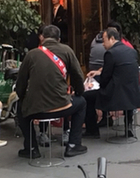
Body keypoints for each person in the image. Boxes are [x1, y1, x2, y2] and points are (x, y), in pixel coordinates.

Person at [15, 24, 87, 159]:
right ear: (58, 39)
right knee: (81, 103)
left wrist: (24, 98)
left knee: (20, 107)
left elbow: (20, 84)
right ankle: (73, 145)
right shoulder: (67, 51)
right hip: (62, 106)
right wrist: (78, 92)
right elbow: (78, 77)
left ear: (42, 38)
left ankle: (31, 148)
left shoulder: (31, 54)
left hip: (36, 109)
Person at [84, 27, 140, 138]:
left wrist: (97, 84)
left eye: (104, 40)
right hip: (133, 92)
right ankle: (128, 124)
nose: (103, 44)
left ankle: (92, 130)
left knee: (87, 97)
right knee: (124, 91)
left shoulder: (110, 53)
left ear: (112, 39)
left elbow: (105, 77)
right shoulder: (131, 51)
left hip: (115, 95)